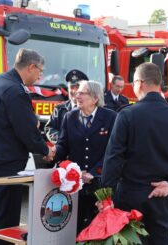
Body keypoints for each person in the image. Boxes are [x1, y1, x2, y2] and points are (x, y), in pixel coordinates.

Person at [101, 62, 168, 245]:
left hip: (129, 197)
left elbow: (113, 159)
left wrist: (105, 196)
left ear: (139, 83)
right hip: (161, 198)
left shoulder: (127, 115)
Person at [0, 48, 55, 245]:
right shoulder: (15, 91)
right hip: (5, 166)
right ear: (31, 67)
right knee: (3, 223)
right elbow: (27, 131)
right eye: (40, 71)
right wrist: (45, 150)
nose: (40, 76)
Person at [54, 80, 116, 233]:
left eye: (82, 93)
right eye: (77, 92)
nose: (76, 95)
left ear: (95, 98)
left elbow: (112, 151)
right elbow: (63, 145)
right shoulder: (70, 117)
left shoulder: (111, 117)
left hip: (101, 184)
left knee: (98, 228)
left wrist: (94, 172)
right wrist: (51, 153)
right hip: (77, 184)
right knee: (76, 226)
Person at [44, 69, 88, 144]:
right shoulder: (59, 109)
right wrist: (61, 139)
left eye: (77, 87)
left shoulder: (90, 108)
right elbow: (49, 128)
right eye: (71, 87)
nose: (74, 91)